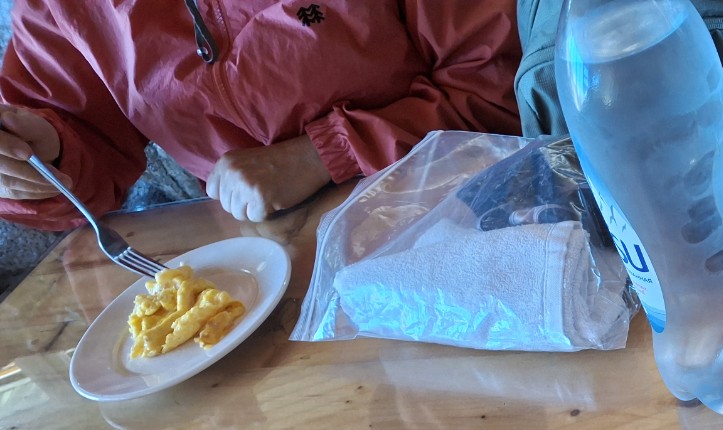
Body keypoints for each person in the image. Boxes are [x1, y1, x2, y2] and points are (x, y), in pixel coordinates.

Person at [0, 0, 523, 229]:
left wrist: (322, 155)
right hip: (264, 267)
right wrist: (47, 157)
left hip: (469, 206)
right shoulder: (56, 9)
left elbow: (502, 86)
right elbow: (83, 170)